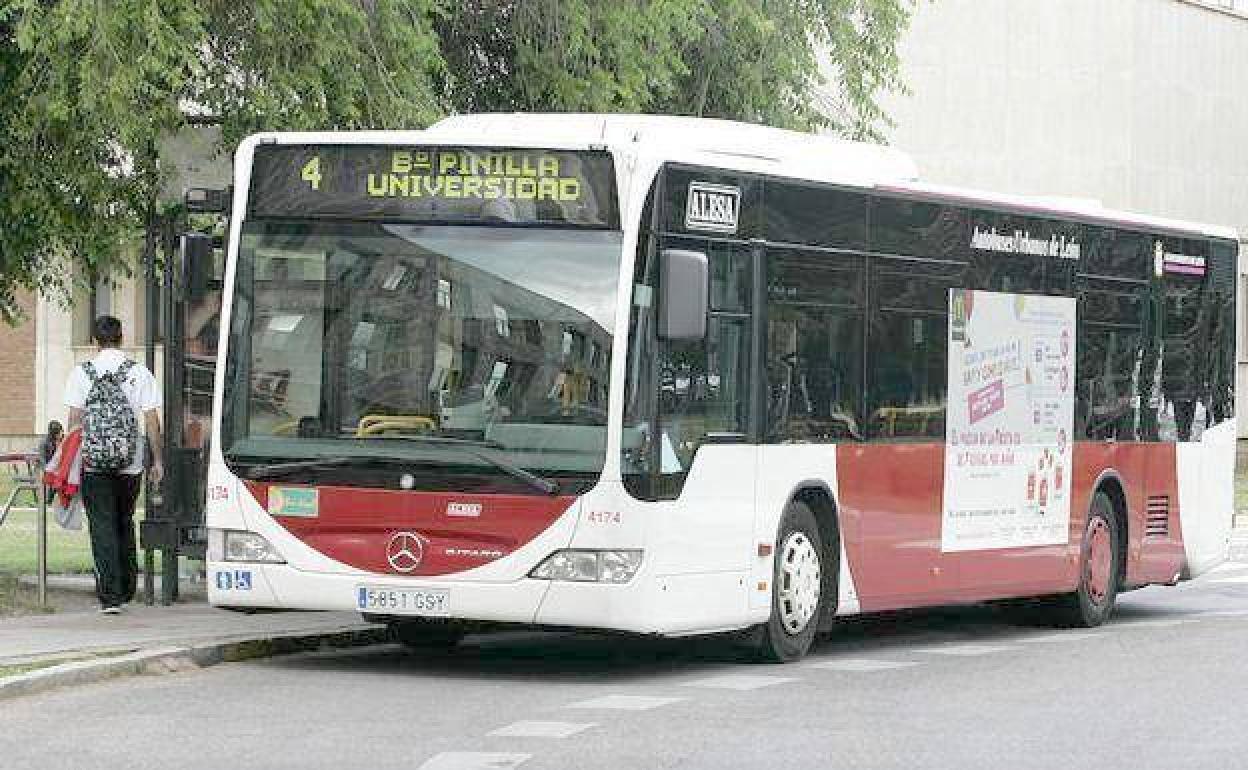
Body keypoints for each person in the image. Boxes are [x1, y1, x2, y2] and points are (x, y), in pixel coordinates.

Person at [64, 316, 163, 614]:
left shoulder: (81, 373)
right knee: (124, 520)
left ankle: (110, 596)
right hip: (129, 464)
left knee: (101, 525)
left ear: (95, 341)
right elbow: (152, 421)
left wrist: (71, 461)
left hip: (94, 463)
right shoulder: (139, 373)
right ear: (122, 338)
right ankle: (128, 587)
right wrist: (157, 460)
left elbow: (74, 422)